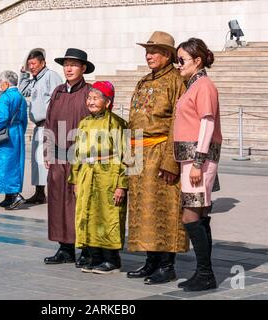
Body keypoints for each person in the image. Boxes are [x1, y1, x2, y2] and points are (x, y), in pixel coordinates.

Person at [127, 31, 189, 284]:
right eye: (147, 51)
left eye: (154, 51)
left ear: (168, 55)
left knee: (164, 210)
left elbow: (178, 121)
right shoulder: (143, 81)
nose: (149, 55)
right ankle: (150, 260)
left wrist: (170, 160)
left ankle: (167, 264)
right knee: (142, 210)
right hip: (138, 153)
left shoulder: (176, 81)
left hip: (161, 152)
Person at [174, 38, 222, 291]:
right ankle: (204, 273)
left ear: (198, 60)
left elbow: (207, 122)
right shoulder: (192, 85)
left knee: (190, 215)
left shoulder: (203, 85)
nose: (178, 64)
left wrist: (198, 162)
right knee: (200, 215)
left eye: (182, 59)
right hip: (192, 159)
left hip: (198, 160)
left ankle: (205, 273)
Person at [68, 81, 128, 274]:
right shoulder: (84, 123)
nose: (91, 101)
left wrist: (122, 184)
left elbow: (125, 155)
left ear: (108, 102)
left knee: (107, 216)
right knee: (87, 215)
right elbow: (77, 152)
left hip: (108, 175)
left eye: (96, 98)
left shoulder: (116, 123)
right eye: (89, 98)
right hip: (87, 174)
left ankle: (112, 259)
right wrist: (76, 179)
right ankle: (95, 256)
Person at [43, 48, 95, 267]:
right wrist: (47, 149)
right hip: (58, 156)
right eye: (66, 65)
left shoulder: (90, 92)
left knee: (80, 203)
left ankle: (86, 249)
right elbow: (48, 122)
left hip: (81, 158)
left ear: (83, 68)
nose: (69, 68)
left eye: (74, 65)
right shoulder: (58, 92)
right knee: (57, 202)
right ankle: (65, 248)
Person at [19, 48, 63, 205]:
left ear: (43, 63)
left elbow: (59, 99)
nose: (31, 66)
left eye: (34, 63)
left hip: (49, 125)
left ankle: (55, 193)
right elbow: (23, 91)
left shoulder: (51, 76)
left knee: (49, 160)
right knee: (38, 161)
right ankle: (39, 193)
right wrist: (23, 74)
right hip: (39, 126)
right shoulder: (35, 79)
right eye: (29, 64)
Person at [0, 70, 28, 210]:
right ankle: (9, 197)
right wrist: (19, 132)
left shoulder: (5, 98)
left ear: (5, 83)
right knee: (14, 165)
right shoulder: (20, 97)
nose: (0, 85)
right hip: (16, 132)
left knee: (4, 165)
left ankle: (15, 196)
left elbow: (2, 119)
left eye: (0, 82)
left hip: (5, 135)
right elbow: (24, 119)